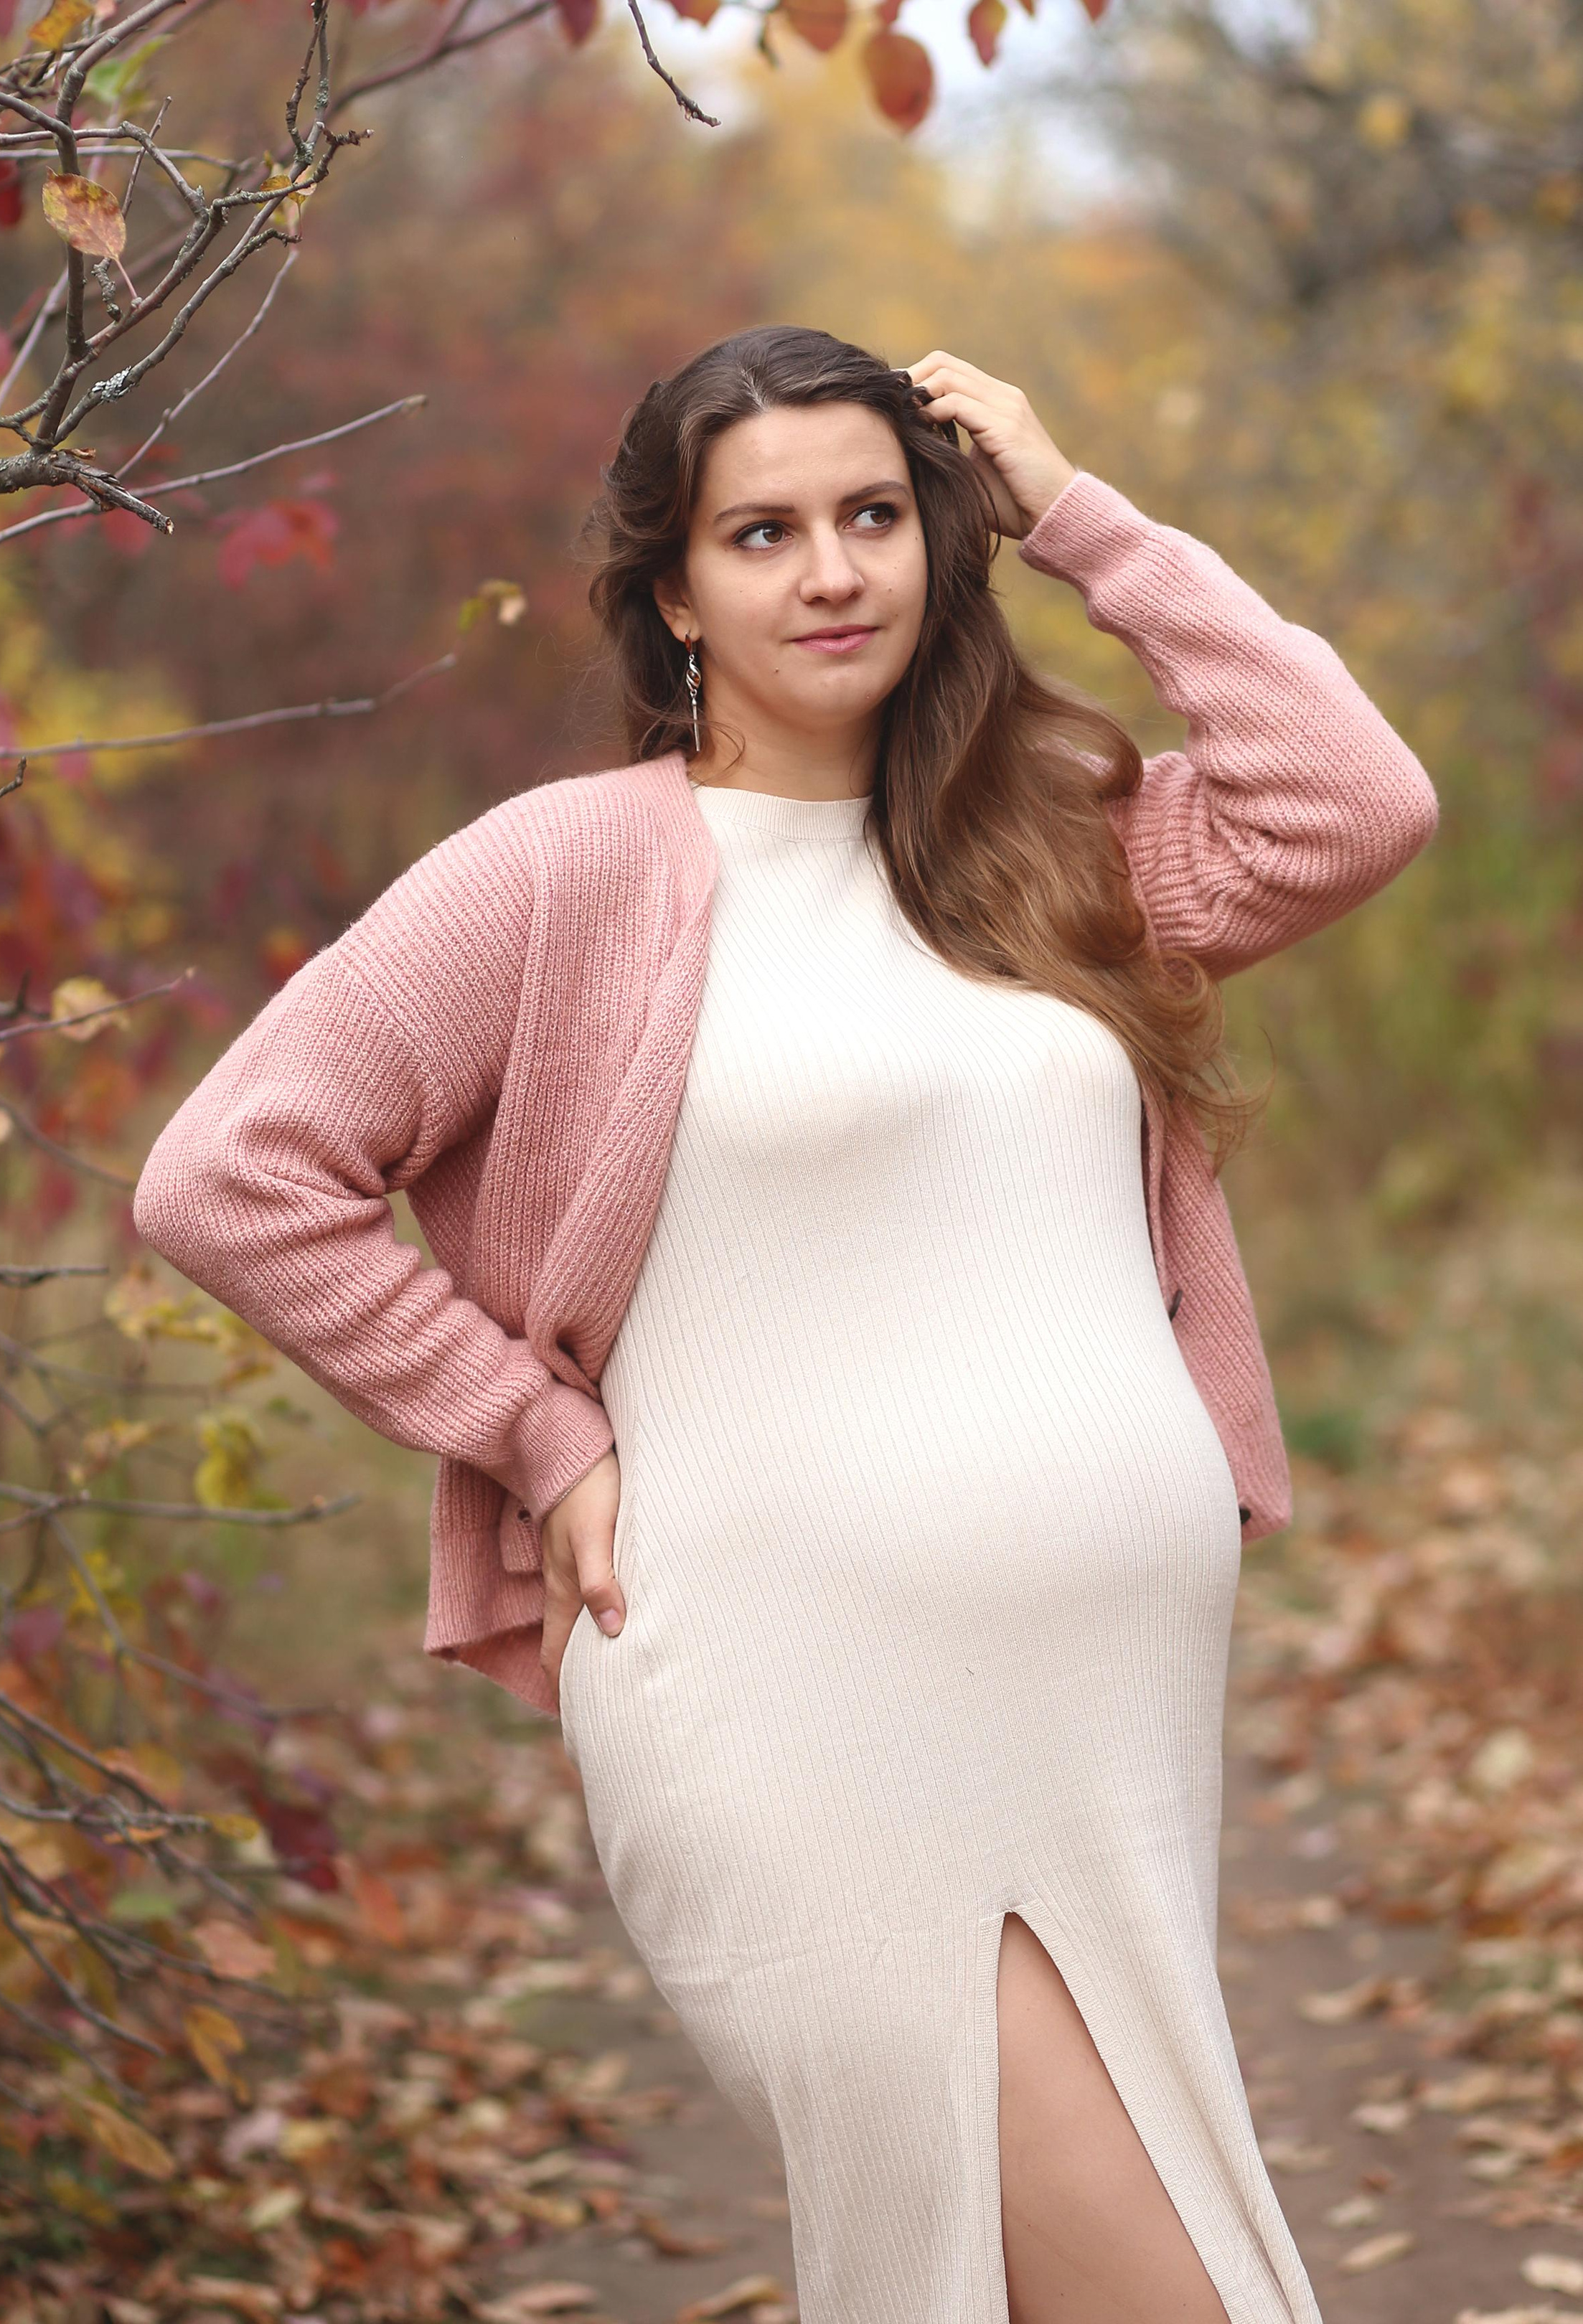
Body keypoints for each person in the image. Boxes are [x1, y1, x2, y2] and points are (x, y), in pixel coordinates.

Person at [134, 326, 1438, 2324]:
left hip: (1101, 1704)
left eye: (874, 516)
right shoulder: (566, 873)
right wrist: (528, 1428)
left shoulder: (1052, 838)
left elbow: (1357, 801)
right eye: (762, 534)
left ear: (940, 539)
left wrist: (1082, 517)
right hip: (779, 1692)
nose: (831, 572)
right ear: (675, 593)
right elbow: (229, 1173)